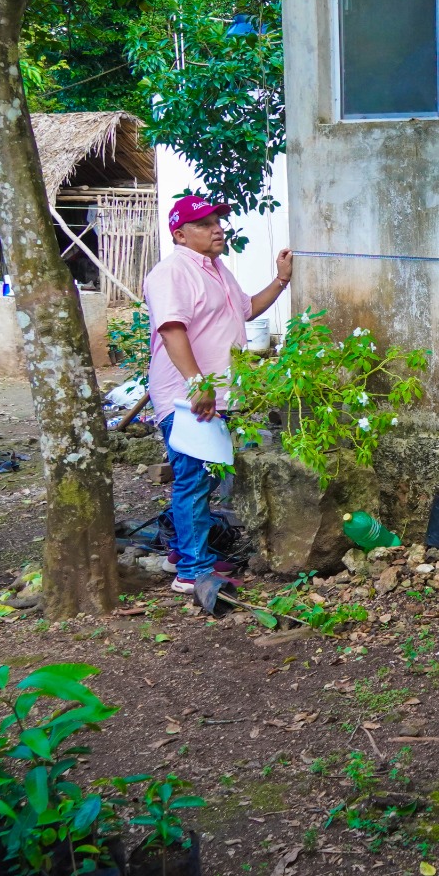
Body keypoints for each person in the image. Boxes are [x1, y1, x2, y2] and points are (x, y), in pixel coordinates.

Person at [146, 195, 293, 595]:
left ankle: (183, 551)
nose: (217, 228)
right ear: (180, 234)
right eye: (204, 224)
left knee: (204, 477)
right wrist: (197, 383)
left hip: (216, 395)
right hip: (187, 395)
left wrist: (281, 279)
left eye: (217, 221)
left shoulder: (217, 269)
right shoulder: (172, 271)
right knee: (193, 479)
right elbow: (172, 330)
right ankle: (192, 572)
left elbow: (246, 310)